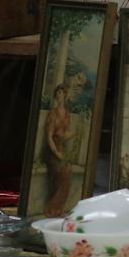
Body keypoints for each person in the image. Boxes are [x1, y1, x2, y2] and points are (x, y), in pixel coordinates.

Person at [43, 85, 74, 216]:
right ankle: (51, 209)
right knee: (61, 173)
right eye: (58, 93)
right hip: (52, 150)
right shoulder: (53, 114)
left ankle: (58, 209)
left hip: (62, 149)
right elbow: (49, 136)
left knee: (68, 172)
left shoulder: (67, 115)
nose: (60, 95)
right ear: (56, 96)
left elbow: (64, 135)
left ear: (65, 95)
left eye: (62, 92)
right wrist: (56, 153)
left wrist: (76, 133)